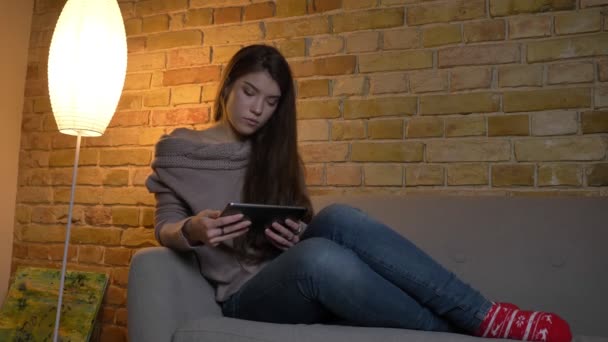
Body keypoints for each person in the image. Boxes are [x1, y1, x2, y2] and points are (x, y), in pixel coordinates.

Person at [145, 44, 572, 342]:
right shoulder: (179, 151)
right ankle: (459, 330)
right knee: (320, 257)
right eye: (249, 93)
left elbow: (303, 222)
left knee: (339, 218)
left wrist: (294, 235)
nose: (257, 109)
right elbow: (164, 225)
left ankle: (485, 315)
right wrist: (193, 229)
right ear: (226, 89)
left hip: (295, 276)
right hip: (247, 298)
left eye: (271, 102)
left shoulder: (274, 154)